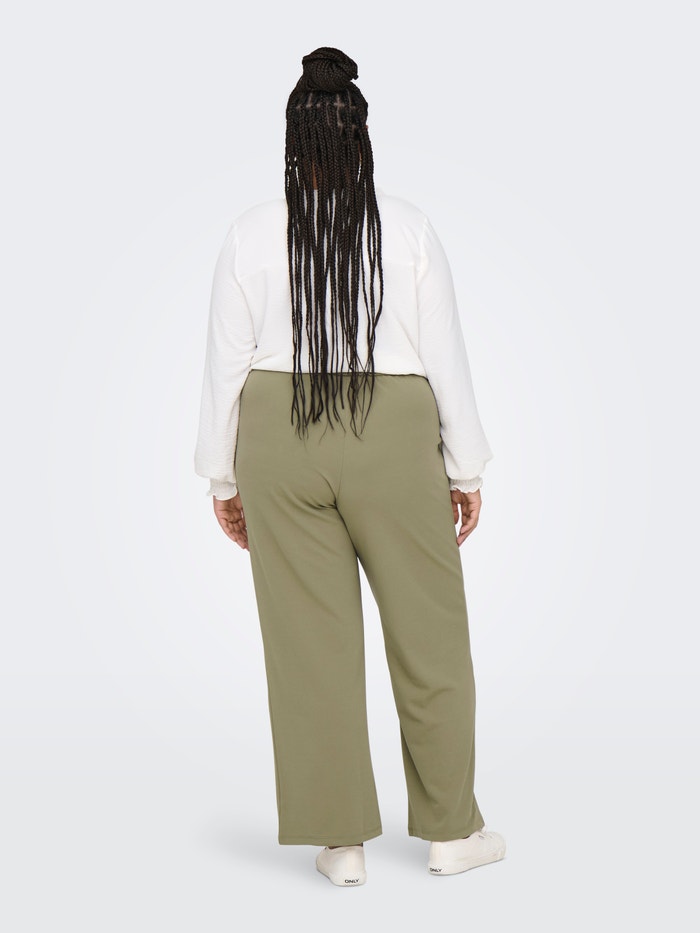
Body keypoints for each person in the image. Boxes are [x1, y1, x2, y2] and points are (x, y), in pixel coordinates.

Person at [194, 46, 506, 887]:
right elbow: (445, 354)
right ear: (361, 138)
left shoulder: (251, 231)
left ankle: (340, 842)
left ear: (292, 143)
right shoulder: (407, 228)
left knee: (309, 646)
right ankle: (452, 830)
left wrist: (222, 476)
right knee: (430, 637)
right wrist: (465, 467)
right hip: (392, 430)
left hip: (278, 429)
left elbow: (225, 364)